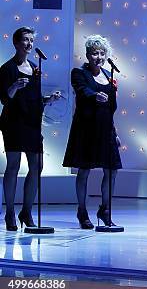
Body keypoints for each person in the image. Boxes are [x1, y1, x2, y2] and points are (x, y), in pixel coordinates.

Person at [0, 27, 61, 231]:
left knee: (37, 166)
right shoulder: (7, 68)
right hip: (14, 123)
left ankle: (26, 211)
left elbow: (34, 99)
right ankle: (9, 211)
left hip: (32, 122)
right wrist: (14, 86)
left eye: (31, 40)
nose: (29, 44)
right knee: (13, 166)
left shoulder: (35, 67)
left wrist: (48, 99)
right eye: (25, 40)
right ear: (16, 43)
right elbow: (4, 98)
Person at [63, 35, 122, 229]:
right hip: (86, 129)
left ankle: (105, 209)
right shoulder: (79, 73)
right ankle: (82, 211)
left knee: (112, 170)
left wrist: (114, 132)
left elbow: (112, 108)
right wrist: (95, 95)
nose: (99, 56)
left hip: (106, 130)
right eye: (95, 53)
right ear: (88, 55)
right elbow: (82, 90)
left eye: (102, 53)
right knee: (84, 170)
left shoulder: (109, 75)